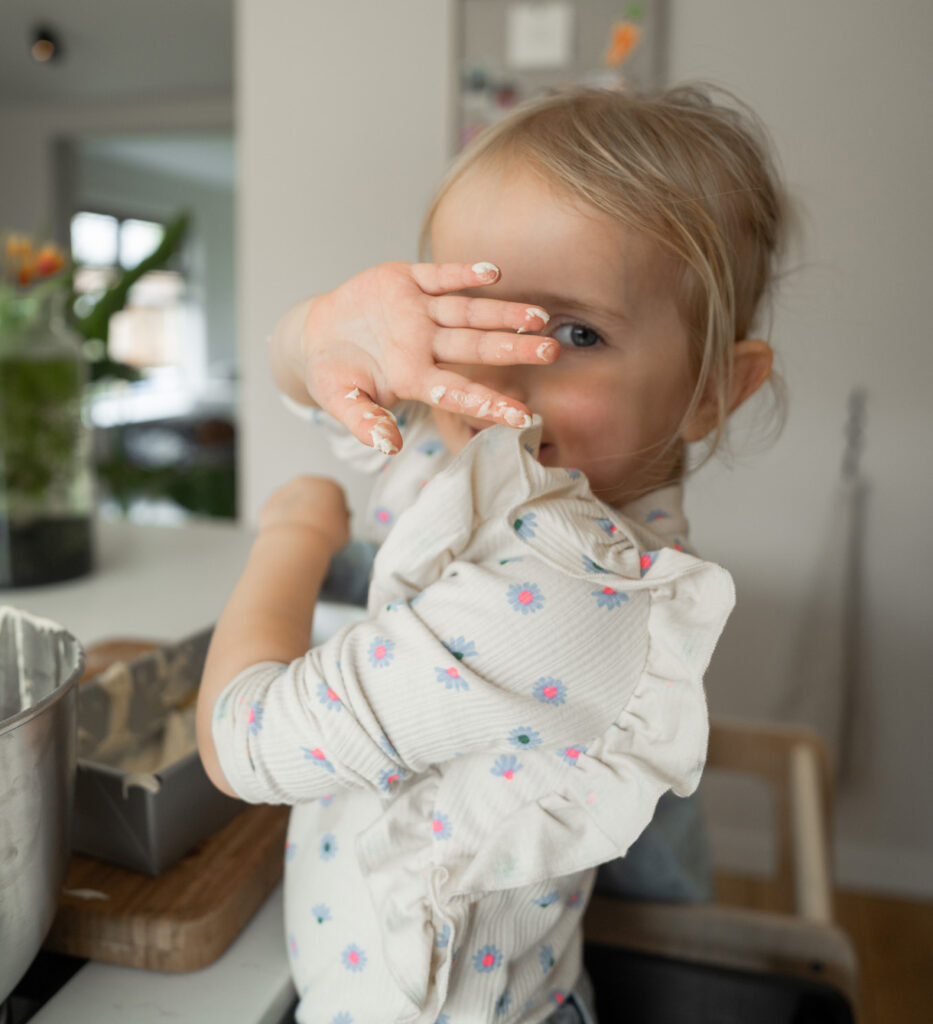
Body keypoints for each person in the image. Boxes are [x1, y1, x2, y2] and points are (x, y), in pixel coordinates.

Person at [196, 84, 788, 1024]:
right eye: (468, 315)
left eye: (573, 332)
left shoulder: (568, 592)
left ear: (712, 389)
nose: (492, 373)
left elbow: (246, 743)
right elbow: (310, 384)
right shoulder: (475, 449)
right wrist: (322, 329)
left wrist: (294, 533)